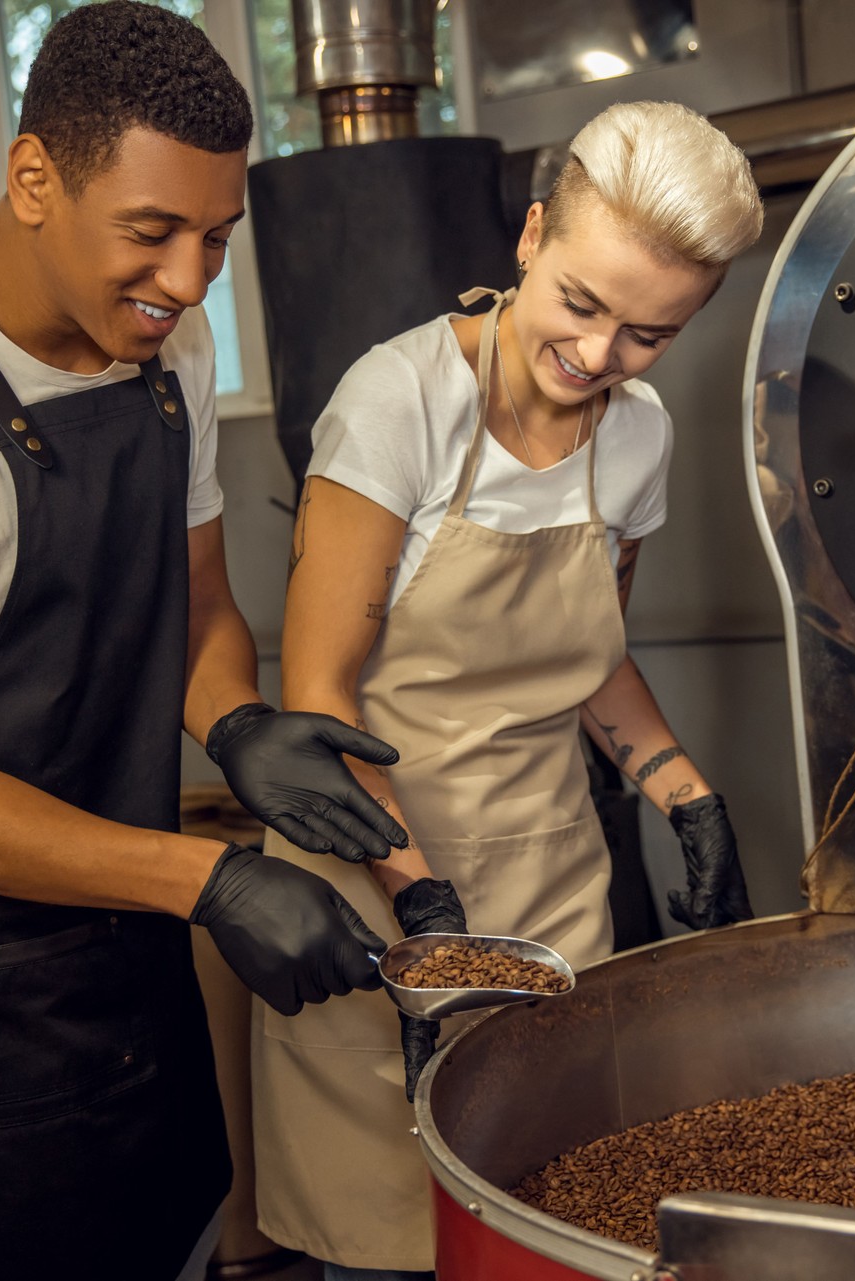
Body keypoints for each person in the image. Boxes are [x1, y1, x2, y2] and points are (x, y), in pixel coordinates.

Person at [0, 5, 408, 1278]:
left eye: (216, 239)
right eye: (152, 233)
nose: (187, 280)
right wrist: (207, 881)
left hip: (132, 934)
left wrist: (235, 720)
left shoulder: (165, 338)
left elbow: (197, 605)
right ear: (34, 180)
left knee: (168, 1229)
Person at [251, 100, 764, 1278]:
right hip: (377, 892)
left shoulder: (635, 439)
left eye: (647, 335)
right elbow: (318, 694)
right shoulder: (400, 401)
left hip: (549, 888)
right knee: (383, 1242)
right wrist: (429, 920)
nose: (598, 357)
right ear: (532, 236)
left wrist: (685, 794)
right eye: (581, 305)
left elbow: (592, 660)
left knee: (548, 1225)